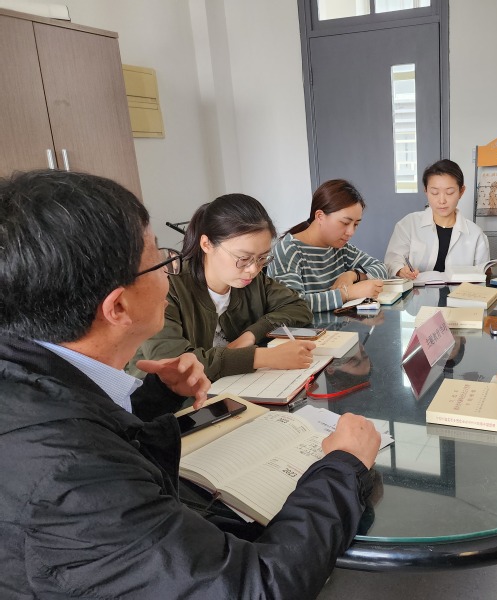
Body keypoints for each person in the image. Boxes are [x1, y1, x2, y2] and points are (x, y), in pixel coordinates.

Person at [0, 170, 381, 599]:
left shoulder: (31, 381)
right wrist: (343, 466)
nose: (172, 273)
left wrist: (157, 397)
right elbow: (256, 587)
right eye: (160, 261)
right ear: (118, 306)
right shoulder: (72, 472)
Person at [130, 193, 316, 382]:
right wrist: (263, 357)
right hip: (158, 395)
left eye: (262, 258)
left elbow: (299, 307)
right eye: (243, 258)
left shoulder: (250, 280)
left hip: (228, 385)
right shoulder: (168, 286)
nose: (253, 269)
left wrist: (251, 334)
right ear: (207, 244)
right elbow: (173, 364)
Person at [268, 179, 389, 312]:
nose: (351, 232)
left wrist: (352, 275)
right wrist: (347, 293)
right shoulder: (288, 251)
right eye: (345, 223)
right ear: (320, 216)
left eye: (356, 224)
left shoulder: (340, 248)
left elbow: (382, 268)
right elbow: (293, 305)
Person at [384, 159, 490, 279]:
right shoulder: (408, 224)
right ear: (426, 191)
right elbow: (392, 261)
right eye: (434, 193)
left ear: (461, 191)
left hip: (461, 291)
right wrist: (400, 270)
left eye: (449, 192)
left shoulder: (475, 234)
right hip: (416, 290)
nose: (442, 200)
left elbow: (482, 275)